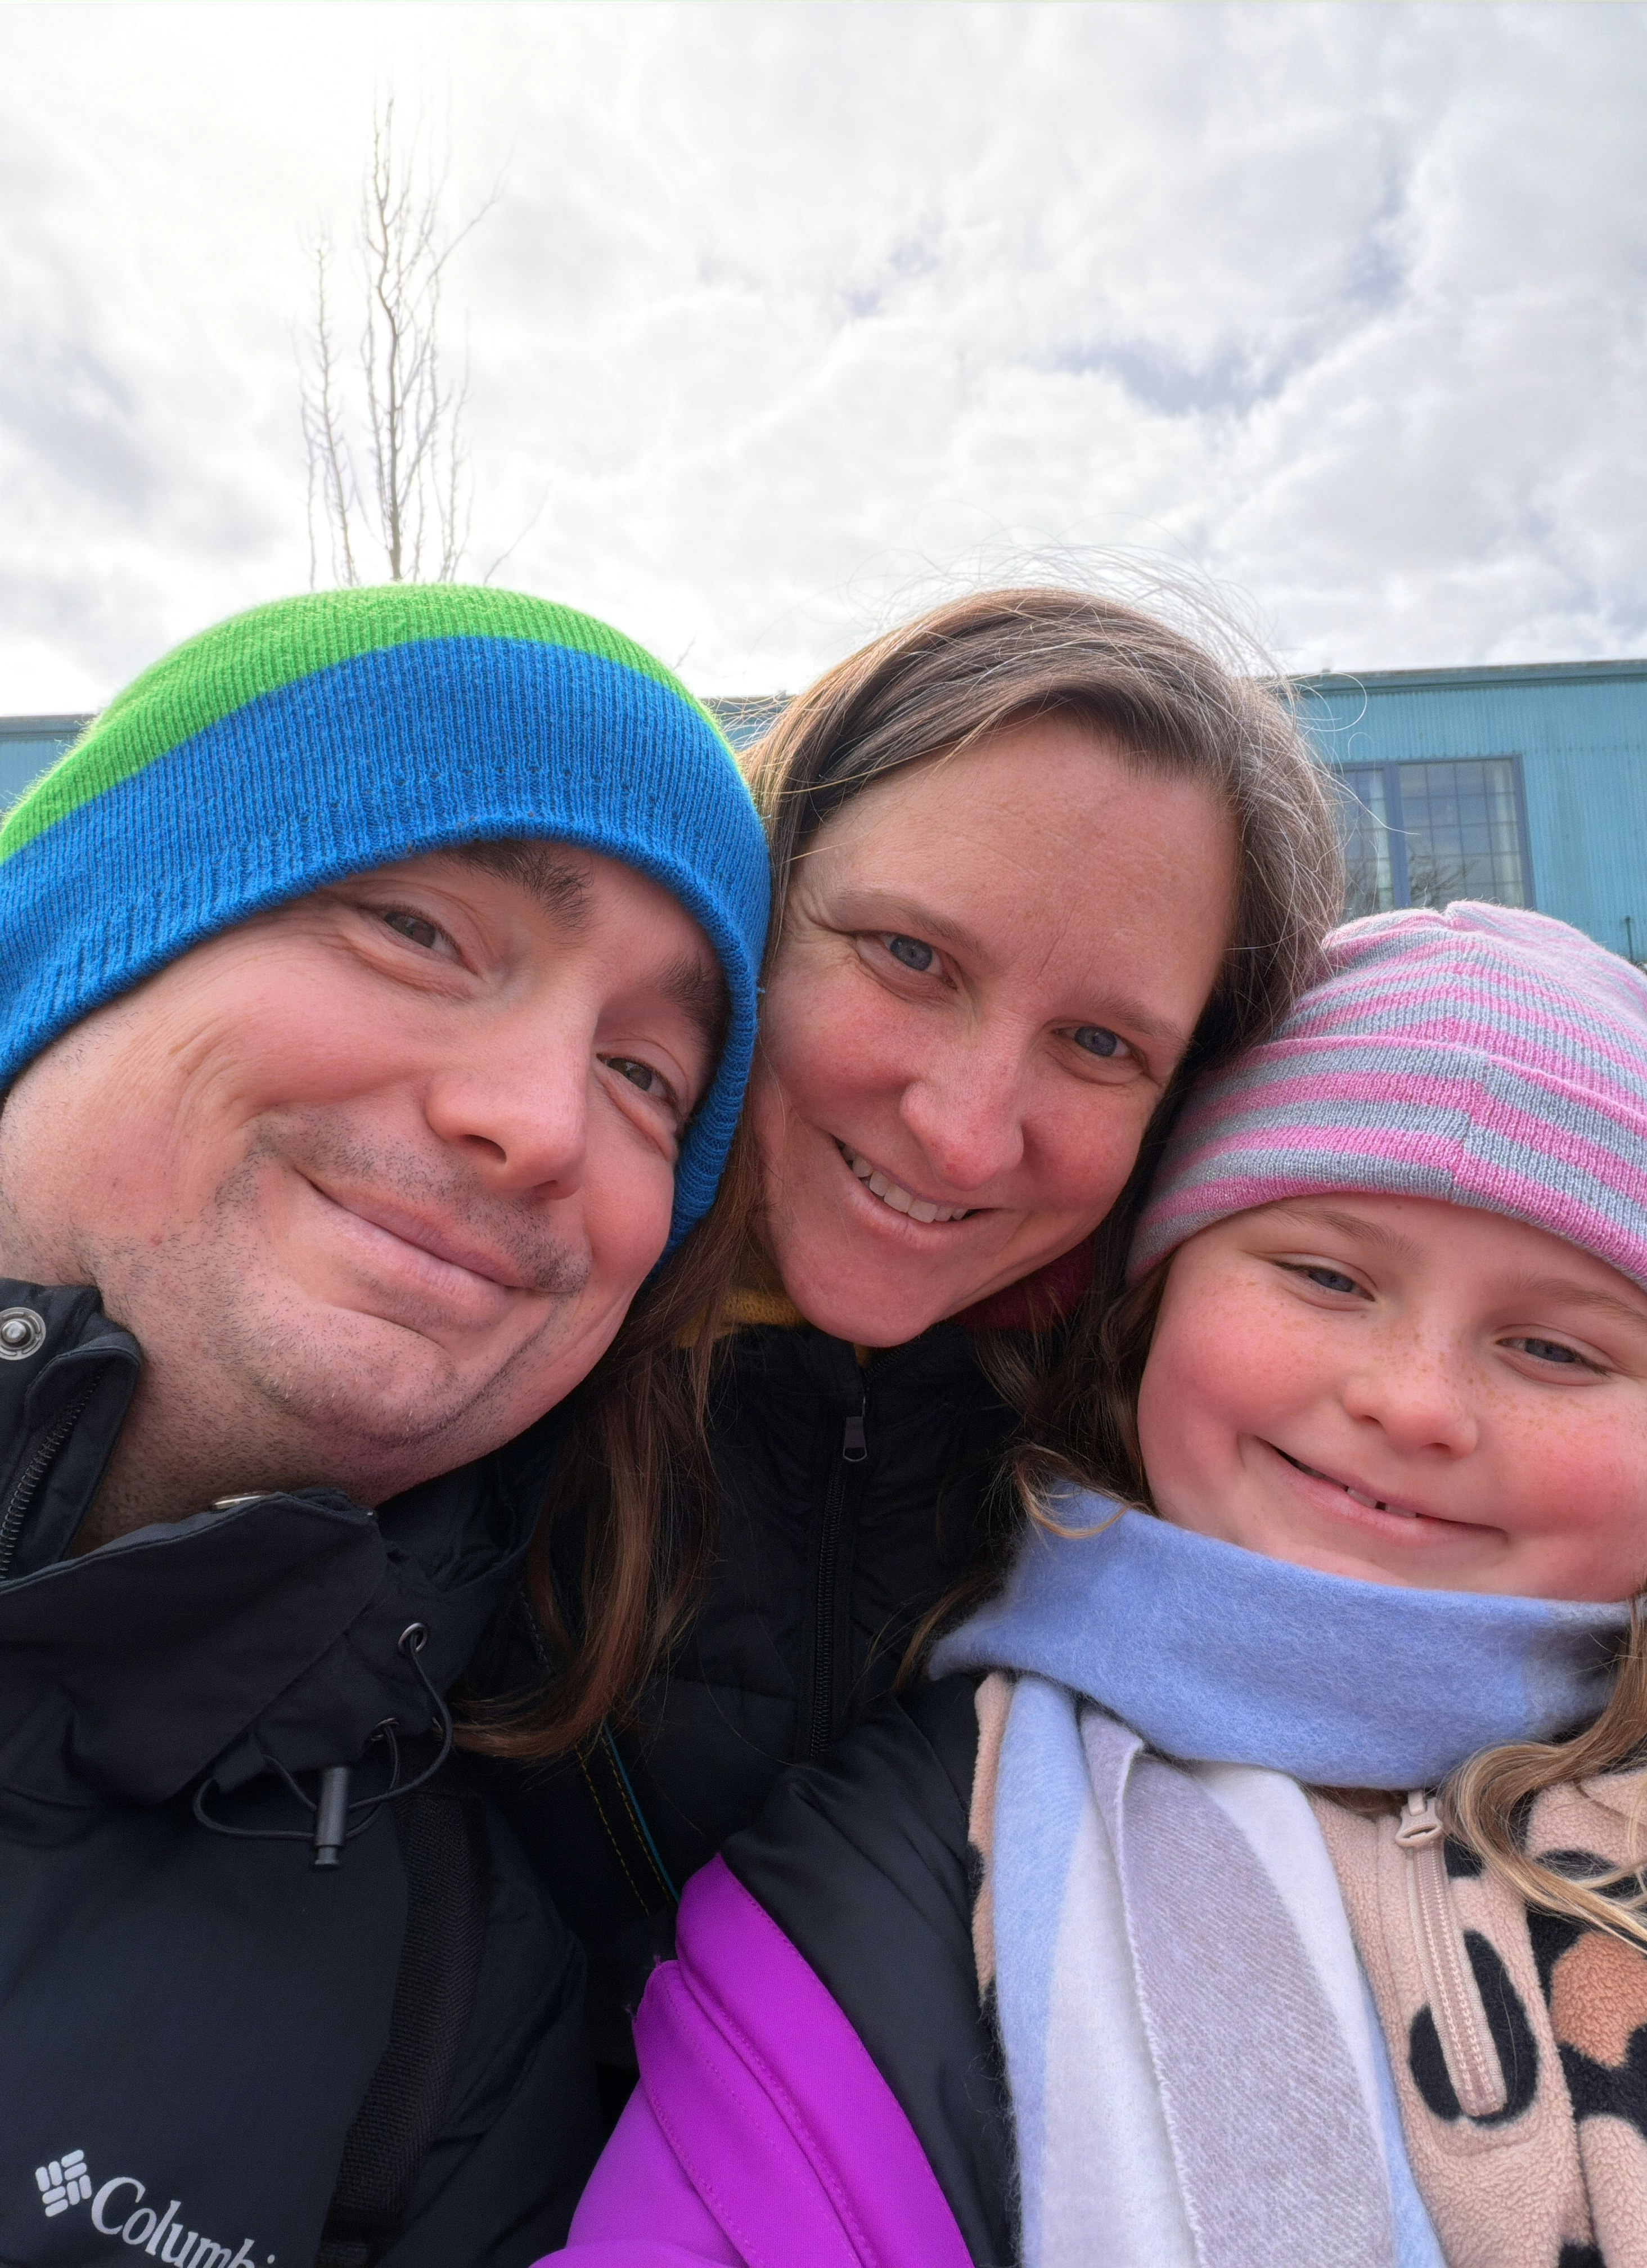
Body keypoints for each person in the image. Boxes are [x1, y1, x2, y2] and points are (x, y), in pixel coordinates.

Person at [559, 901, 1647, 2268]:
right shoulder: (887, 1879)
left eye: (1557, 1351)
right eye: (1328, 1275)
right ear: (1150, 1310)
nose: (1415, 1404)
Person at [471, 586, 1346, 2094]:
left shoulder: (1208, 1481)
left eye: (1098, 1043)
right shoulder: (455, 1344)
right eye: (910, 958)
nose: (962, 1127)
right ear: (762, 900)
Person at [0, 584, 767, 2268]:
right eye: (420, 930)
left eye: (648, 1074)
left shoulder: (462, 1997)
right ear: (66, 956)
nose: (539, 1121)